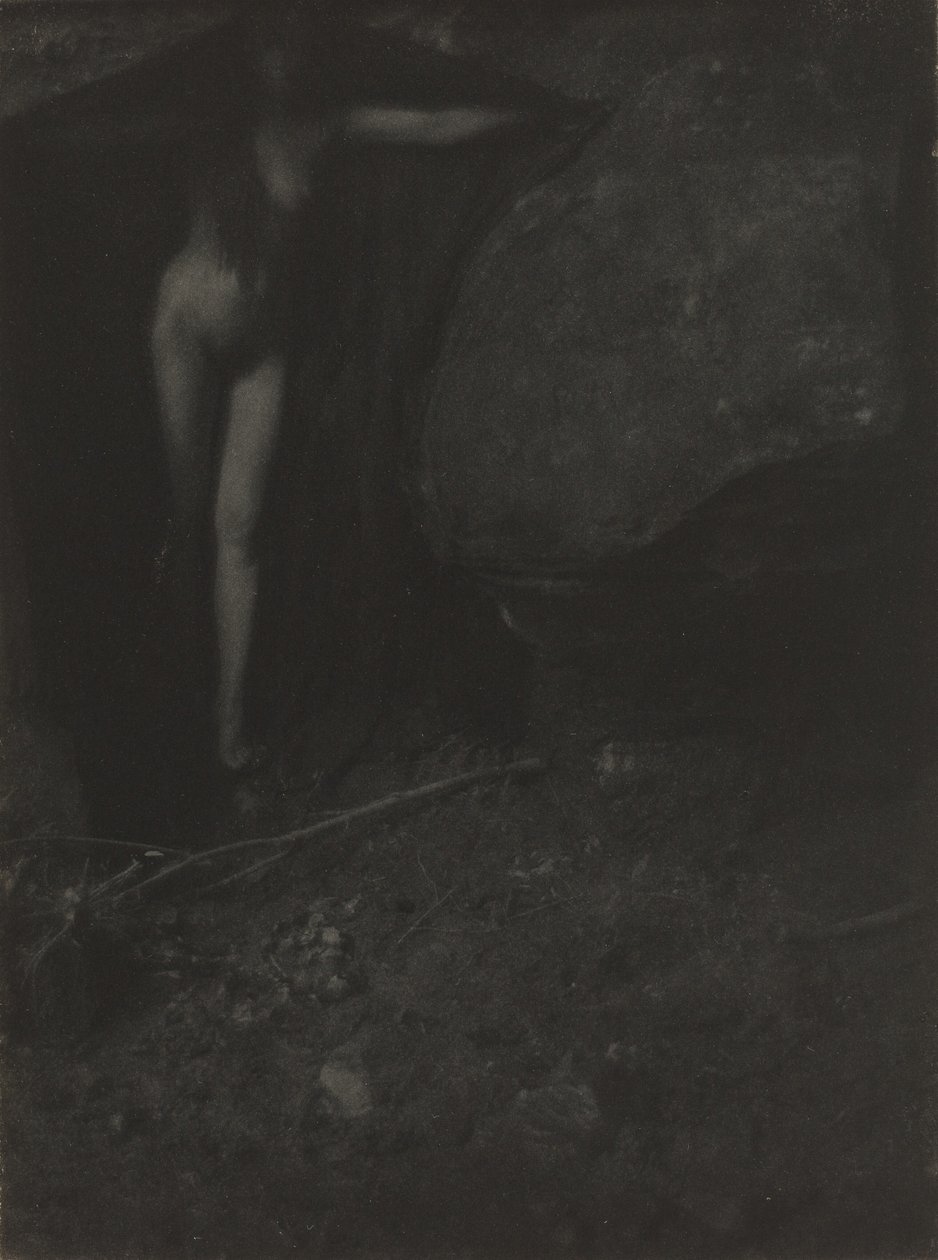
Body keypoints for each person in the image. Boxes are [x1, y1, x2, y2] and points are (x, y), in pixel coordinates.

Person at [151, 13, 527, 771]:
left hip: (265, 350)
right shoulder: (206, 123)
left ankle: (229, 725)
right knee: (185, 518)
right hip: (186, 325)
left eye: (293, 41)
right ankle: (166, 708)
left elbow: (434, 125)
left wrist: (536, 109)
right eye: (269, 41)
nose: (283, 58)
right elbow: (88, 129)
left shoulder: (326, 126)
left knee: (241, 529)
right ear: (245, 51)